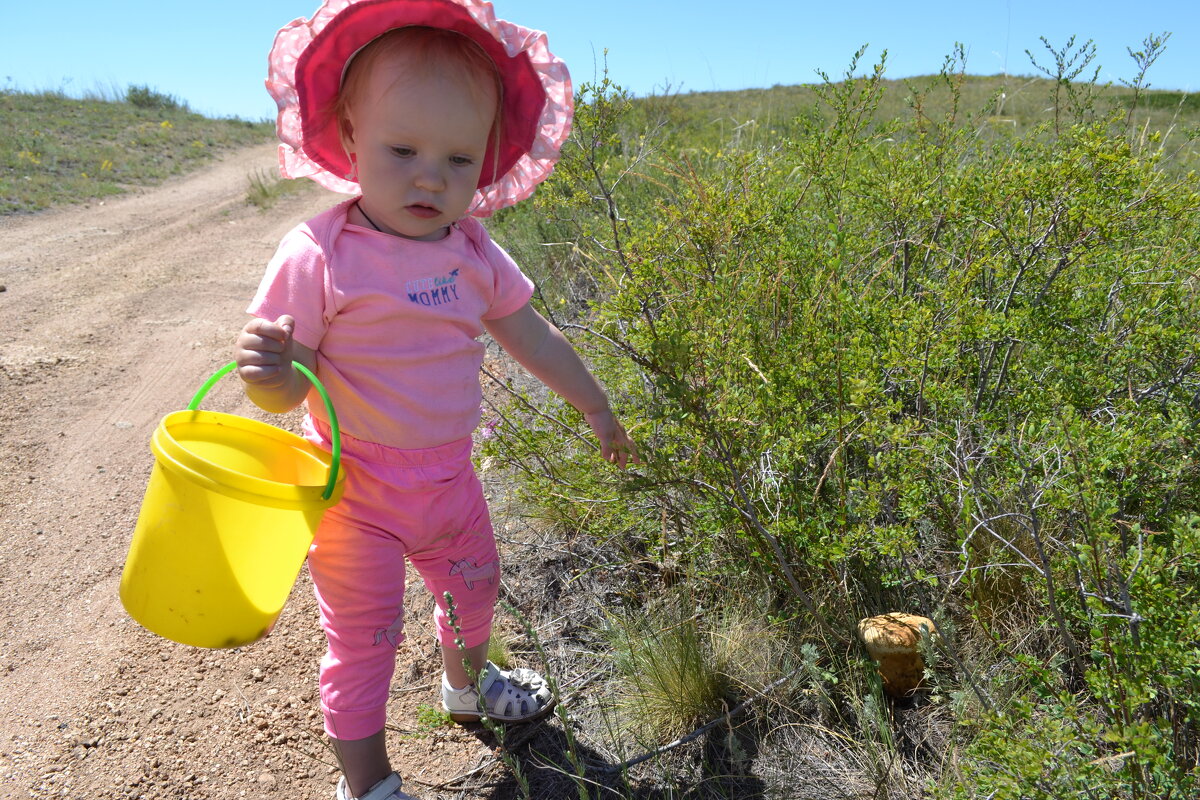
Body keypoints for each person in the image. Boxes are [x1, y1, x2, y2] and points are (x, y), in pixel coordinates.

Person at [235, 2, 638, 798]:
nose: (431, 176)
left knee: (474, 592)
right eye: (402, 148)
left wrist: (595, 406)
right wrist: (265, 370)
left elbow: (535, 338)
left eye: (459, 158)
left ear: (487, 160)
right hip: (357, 495)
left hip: (450, 481)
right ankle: (370, 782)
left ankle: (466, 686)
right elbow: (288, 388)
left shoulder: (475, 249)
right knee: (364, 641)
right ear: (349, 136)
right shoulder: (320, 254)